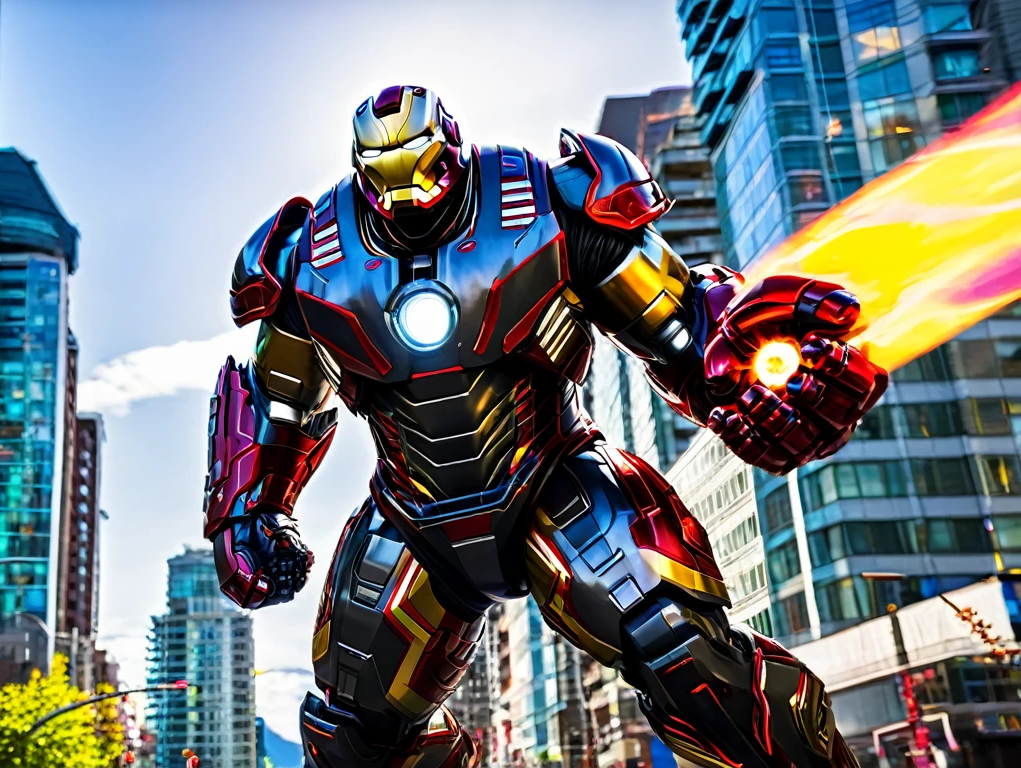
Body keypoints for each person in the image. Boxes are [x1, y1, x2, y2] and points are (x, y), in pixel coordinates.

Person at [203, 85, 884, 768]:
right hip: (412, 513)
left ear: (453, 152)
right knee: (354, 736)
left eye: (424, 173)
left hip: (555, 477)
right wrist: (249, 510)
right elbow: (278, 403)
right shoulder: (310, 260)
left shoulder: (544, 201)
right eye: (387, 183)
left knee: (690, 663)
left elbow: (677, 324)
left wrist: (743, 371)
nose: (409, 199)